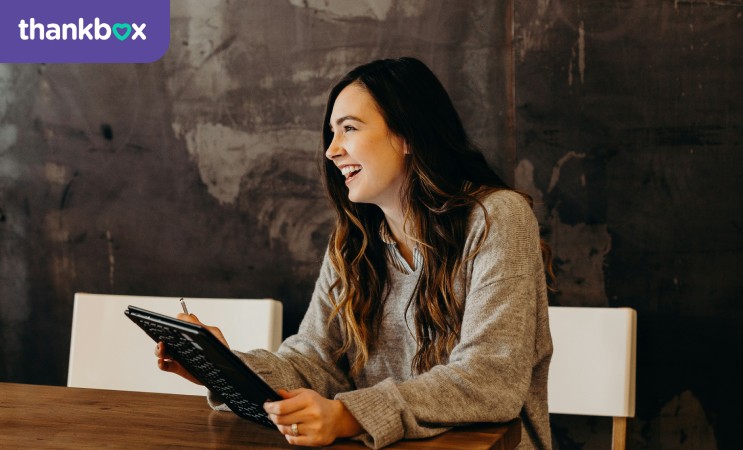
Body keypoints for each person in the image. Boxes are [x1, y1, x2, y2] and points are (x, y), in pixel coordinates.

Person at [155, 57, 553, 449]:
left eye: (349, 128)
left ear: (407, 135)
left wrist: (349, 416)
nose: (331, 150)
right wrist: (225, 369)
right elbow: (314, 362)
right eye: (332, 133)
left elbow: (490, 378)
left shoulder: (497, 218)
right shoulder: (353, 243)